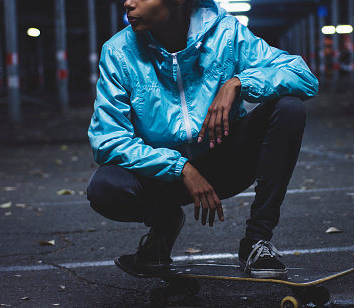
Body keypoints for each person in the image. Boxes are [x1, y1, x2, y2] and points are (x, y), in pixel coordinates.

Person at [86, 0, 318, 279]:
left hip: (224, 163)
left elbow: (303, 76)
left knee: (289, 108)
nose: (128, 2)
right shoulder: (119, 51)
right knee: (105, 187)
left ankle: (256, 241)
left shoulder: (227, 34)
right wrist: (179, 167)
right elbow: (108, 139)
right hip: (162, 178)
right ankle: (164, 223)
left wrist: (241, 83)